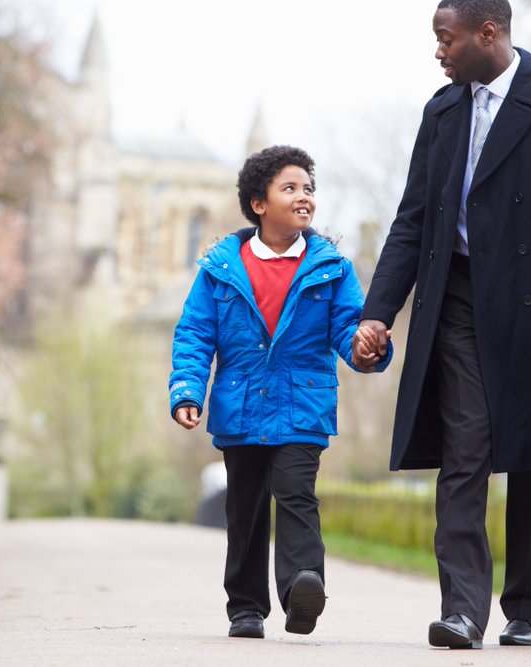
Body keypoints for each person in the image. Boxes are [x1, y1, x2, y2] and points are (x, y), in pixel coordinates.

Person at [352, 0, 531, 649]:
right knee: (464, 451)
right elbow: (411, 221)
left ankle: (530, 603)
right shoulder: (442, 111)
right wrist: (377, 312)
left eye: (445, 38)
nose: (438, 51)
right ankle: (461, 609)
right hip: (455, 304)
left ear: (488, 33)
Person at [169, 145, 390, 640]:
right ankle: (246, 607)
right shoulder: (219, 268)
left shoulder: (332, 267)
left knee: (295, 493)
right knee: (243, 506)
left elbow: (348, 331)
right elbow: (194, 335)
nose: (303, 197)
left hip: (302, 404)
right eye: (289, 188)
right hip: (240, 406)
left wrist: (365, 349)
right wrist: (187, 391)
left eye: (308, 189)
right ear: (258, 204)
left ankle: (302, 587)